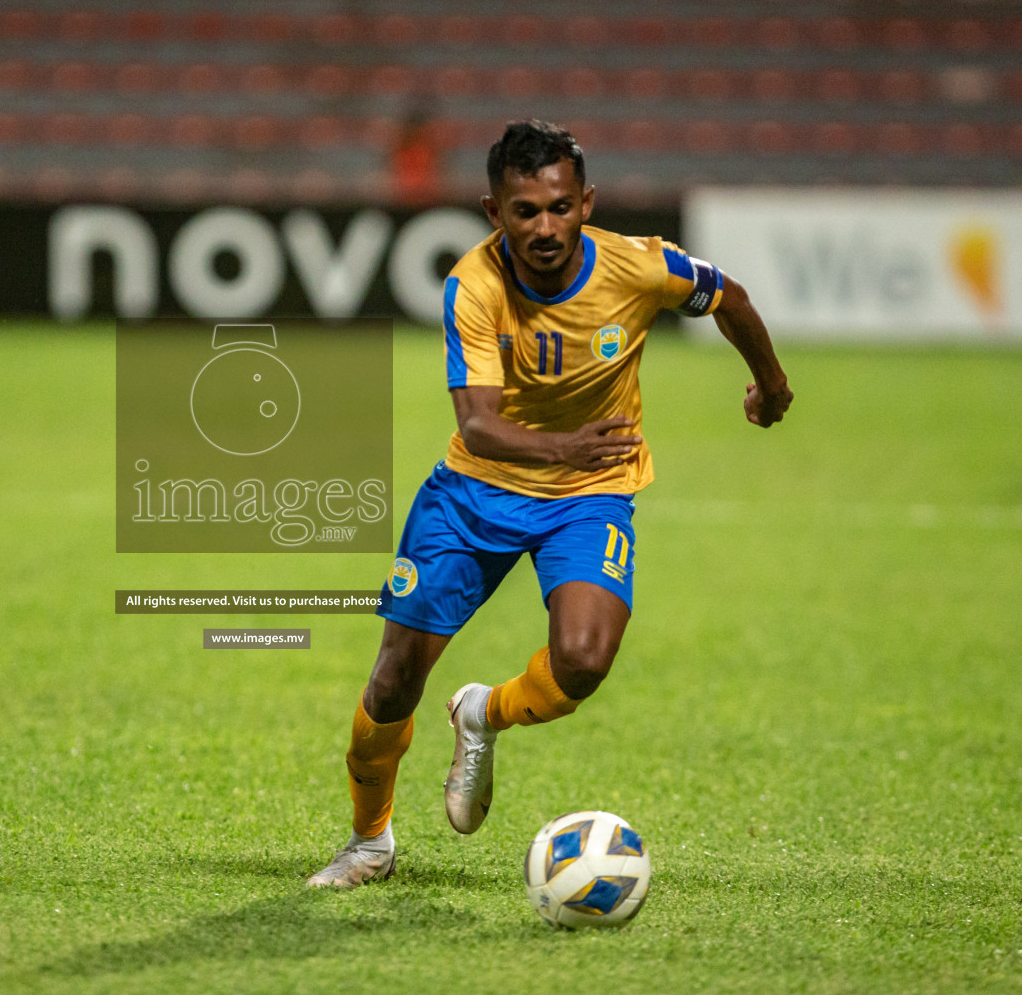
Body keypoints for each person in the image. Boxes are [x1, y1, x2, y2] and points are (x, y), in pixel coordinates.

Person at [307, 119, 793, 888]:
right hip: (474, 494)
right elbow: (479, 422)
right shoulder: (473, 285)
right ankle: (370, 842)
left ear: (586, 203)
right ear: (493, 211)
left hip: (591, 494)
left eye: (560, 207)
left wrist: (771, 384)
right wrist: (564, 447)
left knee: (584, 661)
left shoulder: (639, 267)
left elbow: (726, 295)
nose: (544, 226)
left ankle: (483, 714)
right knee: (395, 678)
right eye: (525, 210)